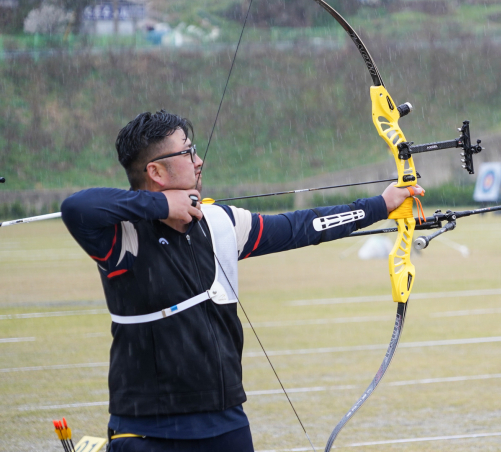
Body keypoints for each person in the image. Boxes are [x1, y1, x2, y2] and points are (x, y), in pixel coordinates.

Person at [61, 110, 424, 452]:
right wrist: (162, 207)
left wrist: (381, 204)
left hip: (226, 423)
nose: (199, 160)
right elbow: (77, 207)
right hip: (144, 428)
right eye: (188, 152)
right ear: (155, 171)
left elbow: (304, 226)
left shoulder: (221, 223)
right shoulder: (122, 237)